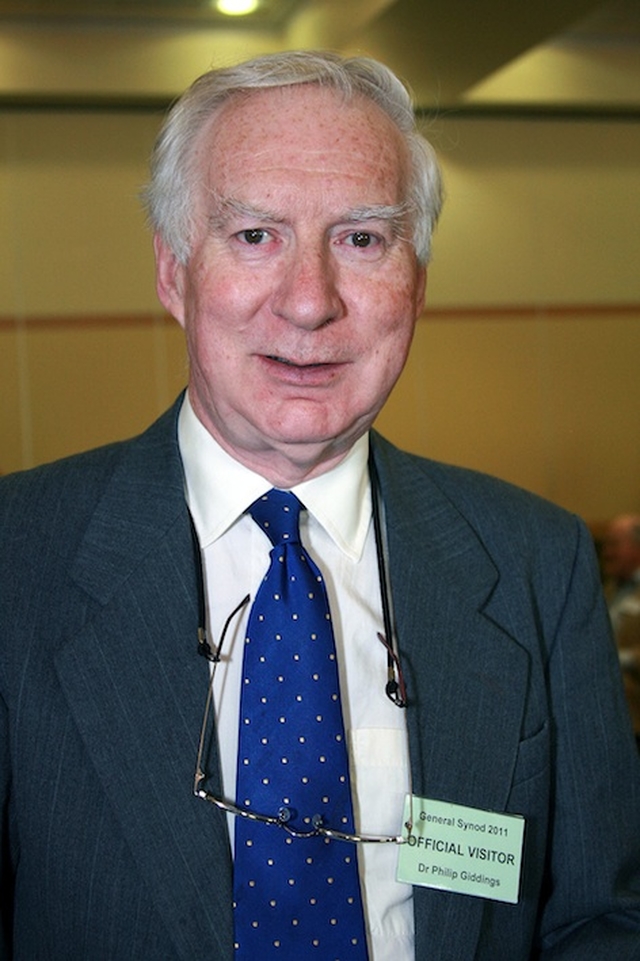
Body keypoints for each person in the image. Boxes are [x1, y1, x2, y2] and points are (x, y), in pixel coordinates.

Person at [1, 50, 639, 961]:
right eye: (256, 235)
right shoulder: (16, 557)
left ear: (416, 279)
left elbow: (602, 917)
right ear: (173, 272)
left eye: (362, 239)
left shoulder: (539, 563)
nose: (309, 302)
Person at [602, 514, 640, 744]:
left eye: (614, 545)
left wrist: (611, 659)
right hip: (607, 717)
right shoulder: (607, 588)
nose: (607, 553)